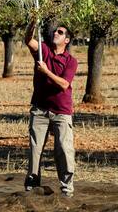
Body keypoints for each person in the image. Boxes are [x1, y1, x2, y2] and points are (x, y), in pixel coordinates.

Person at [23, 19, 78, 197]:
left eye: (61, 32)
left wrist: (46, 71)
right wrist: (32, 23)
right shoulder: (43, 50)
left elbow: (64, 84)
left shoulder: (71, 61)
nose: (56, 33)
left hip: (61, 110)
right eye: (56, 31)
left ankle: (67, 188)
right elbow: (28, 41)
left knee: (64, 148)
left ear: (67, 40)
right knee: (35, 148)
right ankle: (32, 185)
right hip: (40, 109)